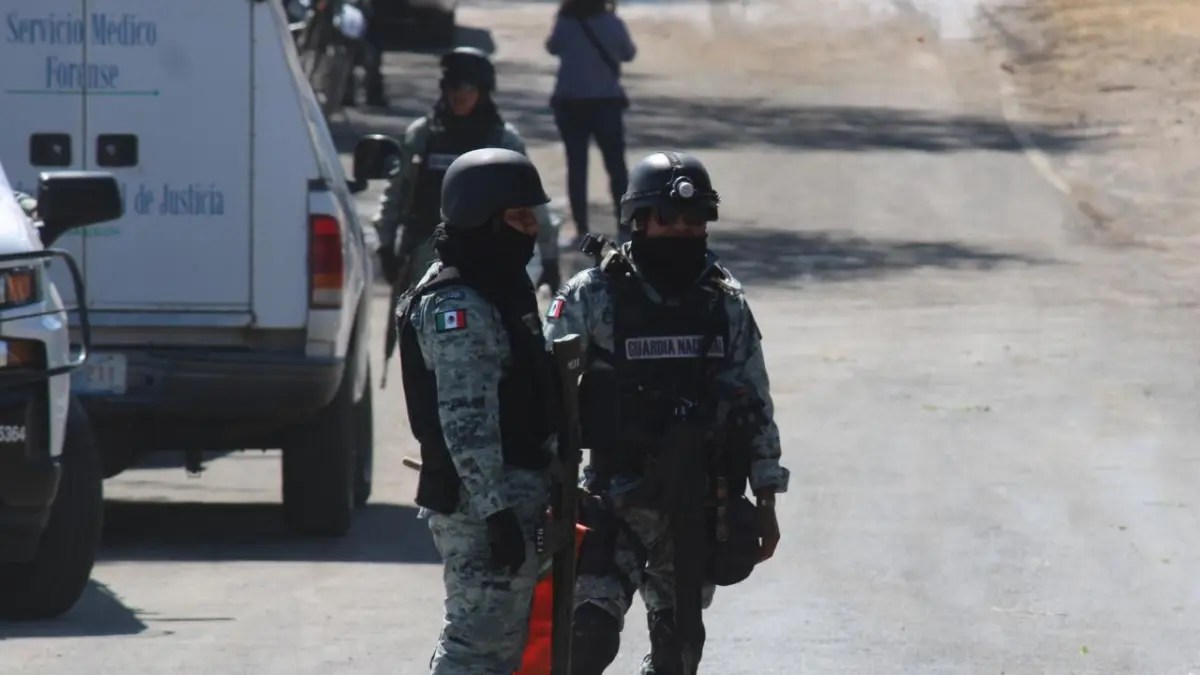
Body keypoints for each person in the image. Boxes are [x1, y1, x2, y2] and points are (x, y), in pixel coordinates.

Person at [543, 151, 788, 674]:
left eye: (694, 220)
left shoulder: (723, 301)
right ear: (639, 220)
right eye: (668, 219)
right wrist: (542, 487)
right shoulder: (594, 295)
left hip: (697, 505)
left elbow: (754, 402)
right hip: (613, 500)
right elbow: (546, 395)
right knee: (585, 641)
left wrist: (765, 497)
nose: (681, 230)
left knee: (678, 655)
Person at [393, 147, 560, 674]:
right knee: (476, 648)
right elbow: (466, 422)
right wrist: (497, 514)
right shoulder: (457, 305)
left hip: (511, 494)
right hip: (481, 504)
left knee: (502, 649)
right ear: (481, 218)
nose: (531, 228)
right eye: (519, 217)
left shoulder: (499, 287)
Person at [373, 46, 559, 295]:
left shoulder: (503, 141)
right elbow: (395, 192)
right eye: (453, 87)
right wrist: (385, 247)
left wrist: (550, 258)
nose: (458, 96)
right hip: (426, 253)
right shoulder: (423, 136)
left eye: (468, 88)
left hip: (488, 257)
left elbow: (532, 204)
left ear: (482, 92)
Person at [546, 0, 636, 246]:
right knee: (616, 167)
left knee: (576, 167)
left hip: (570, 103)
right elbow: (628, 53)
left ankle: (581, 228)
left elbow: (552, 47)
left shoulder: (565, 22)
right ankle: (625, 225)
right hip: (606, 103)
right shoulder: (612, 22)